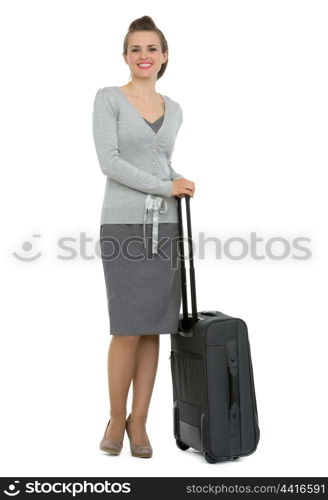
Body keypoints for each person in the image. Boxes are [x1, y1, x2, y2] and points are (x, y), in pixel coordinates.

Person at [92, 15, 195, 458]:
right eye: (136, 49)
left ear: (165, 55)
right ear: (125, 56)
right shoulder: (109, 99)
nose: (144, 56)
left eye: (152, 48)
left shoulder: (175, 108)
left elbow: (159, 164)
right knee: (127, 328)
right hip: (123, 225)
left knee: (154, 328)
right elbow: (110, 163)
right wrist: (164, 185)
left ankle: (140, 423)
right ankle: (116, 418)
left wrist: (178, 180)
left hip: (166, 228)